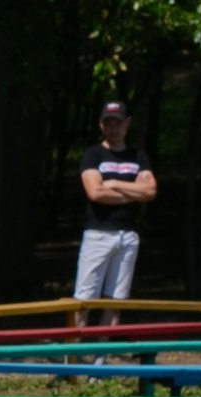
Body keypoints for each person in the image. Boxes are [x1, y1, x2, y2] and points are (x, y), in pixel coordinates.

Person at [76, 101, 157, 324]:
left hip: (128, 236)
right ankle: (71, 357)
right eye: (108, 123)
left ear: (127, 123)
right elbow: (95, 192)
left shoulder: (138, 156)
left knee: (116, 302)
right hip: (98, 233)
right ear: (101, 125)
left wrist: (112, 183)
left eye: (118, 123)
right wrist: (133, 193)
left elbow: (150, 190)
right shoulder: (93, 155)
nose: (113, 129)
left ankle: (100, 358)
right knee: (84, 300)